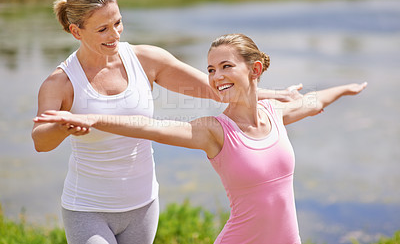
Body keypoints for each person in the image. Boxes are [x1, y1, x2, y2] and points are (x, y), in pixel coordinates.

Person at [31, 0, 301, 244]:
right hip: (88, 207)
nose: (115, 35)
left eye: (118, 23)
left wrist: (275, 94)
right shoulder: (61, 83)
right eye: (103, 29)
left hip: (142, 204)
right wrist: (63, 127)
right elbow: (40, 141)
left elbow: (214, 89)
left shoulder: (145, 59)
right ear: (77, 32)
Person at [35, 33, 367, 244]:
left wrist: (344, 88)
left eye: (225, 66)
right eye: (210, 69)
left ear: (254, 70)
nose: (216, 77)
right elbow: (150, 126)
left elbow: (312, 102)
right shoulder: (214, 130)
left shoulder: (274, 114)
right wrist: (91, 117)